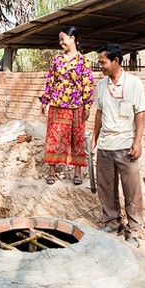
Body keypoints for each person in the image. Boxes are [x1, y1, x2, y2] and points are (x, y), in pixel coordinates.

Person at [91, 43, 145, 248]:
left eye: (103, 62)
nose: (101, 67)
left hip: (126, 145)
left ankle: (133, 231)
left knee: (131, 190)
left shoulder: (134, 83)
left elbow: (140, 113)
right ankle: (112, 223)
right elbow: (99, 112)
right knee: (106, 187)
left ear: (116, 61)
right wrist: (95, 138)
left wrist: (138, 141)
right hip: (106, 144)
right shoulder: (101, 85)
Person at [40, 26, 94, 185]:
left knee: (77, 139)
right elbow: (50, 81)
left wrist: (87, 106)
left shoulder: (84, 61)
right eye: (60, 40)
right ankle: (51, 171)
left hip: (77, 106)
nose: (60, 42)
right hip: (57, 105)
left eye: (63, 39)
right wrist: (45, 101)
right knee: (53, 137)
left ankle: (77, 172)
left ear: (72, 38)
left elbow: (88, 85)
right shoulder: (56, 60)